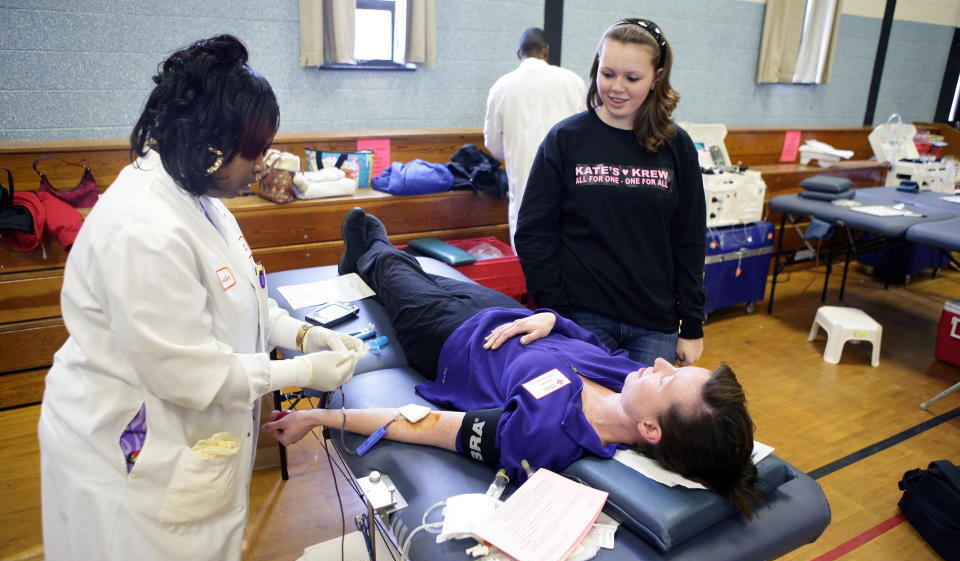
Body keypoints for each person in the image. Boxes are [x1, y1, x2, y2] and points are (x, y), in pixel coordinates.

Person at [37, 35, 365, 561]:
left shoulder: (199, 195)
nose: (263, 164)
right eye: (255, 151)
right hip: (137, 445)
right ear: (212, 144)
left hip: (189, 433)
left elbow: (242, 295)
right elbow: (187, 375)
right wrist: (305, 369)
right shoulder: (143, 228)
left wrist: (303, 333)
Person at [265, 208, 760, 517]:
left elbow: (428, 424)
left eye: (668, 380)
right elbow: (583, 340)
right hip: (501, 312)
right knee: (416, 267)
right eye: (675, 366)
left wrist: (319, 416)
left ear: (651, 430)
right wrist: (550, 319)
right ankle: (373, 253)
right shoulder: (625, 378)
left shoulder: (547, 436)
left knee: (386, 258)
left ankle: (364, 250)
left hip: (444, 338)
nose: (659, 363)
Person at [514, 18, 707, 367]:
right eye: (608, 73)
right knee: (587, 418)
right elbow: (533, 232)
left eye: (632, 78)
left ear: (657, 79)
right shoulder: (566, 139)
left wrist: (692, 325)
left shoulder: (676, 146)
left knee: (641, 421)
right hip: (583, 317)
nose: (617, 87)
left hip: (654, 322)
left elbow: (690, 239)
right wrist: (556, 312)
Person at [483, 27, 587, 248]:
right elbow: (587, 134)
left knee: (529, 255)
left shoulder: (502, 87)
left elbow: (493, 144)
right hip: (569, 183)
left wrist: (514, 150)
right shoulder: (573, 82)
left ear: (518, 53)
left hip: (524, 185)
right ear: (546, 51)